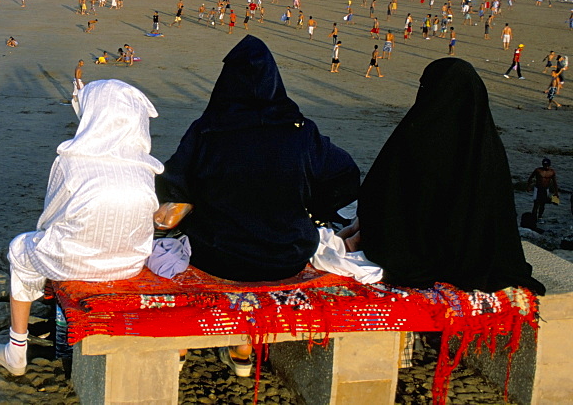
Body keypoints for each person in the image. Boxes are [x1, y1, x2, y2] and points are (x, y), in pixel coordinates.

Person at [153, 36, 360, 376]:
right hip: (286, 253)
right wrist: (314, 212)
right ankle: (241, 347)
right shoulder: (300, 131)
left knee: (179, 237)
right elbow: (345, 175)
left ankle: (188, 343)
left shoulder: (207, 131)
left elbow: (174, 186)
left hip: (219, 254)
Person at [0, 80, 163, 376]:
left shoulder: (71, 162)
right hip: (129, 264)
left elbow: (49, 220)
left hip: (72, 262)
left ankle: (16, 347)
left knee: (21, 249)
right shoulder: (144, 168)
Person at [357, 58, 544, 295]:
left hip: (416, 254)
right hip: (474, 256)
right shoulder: (487, 146)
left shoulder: (416, 138)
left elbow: (378, 197)